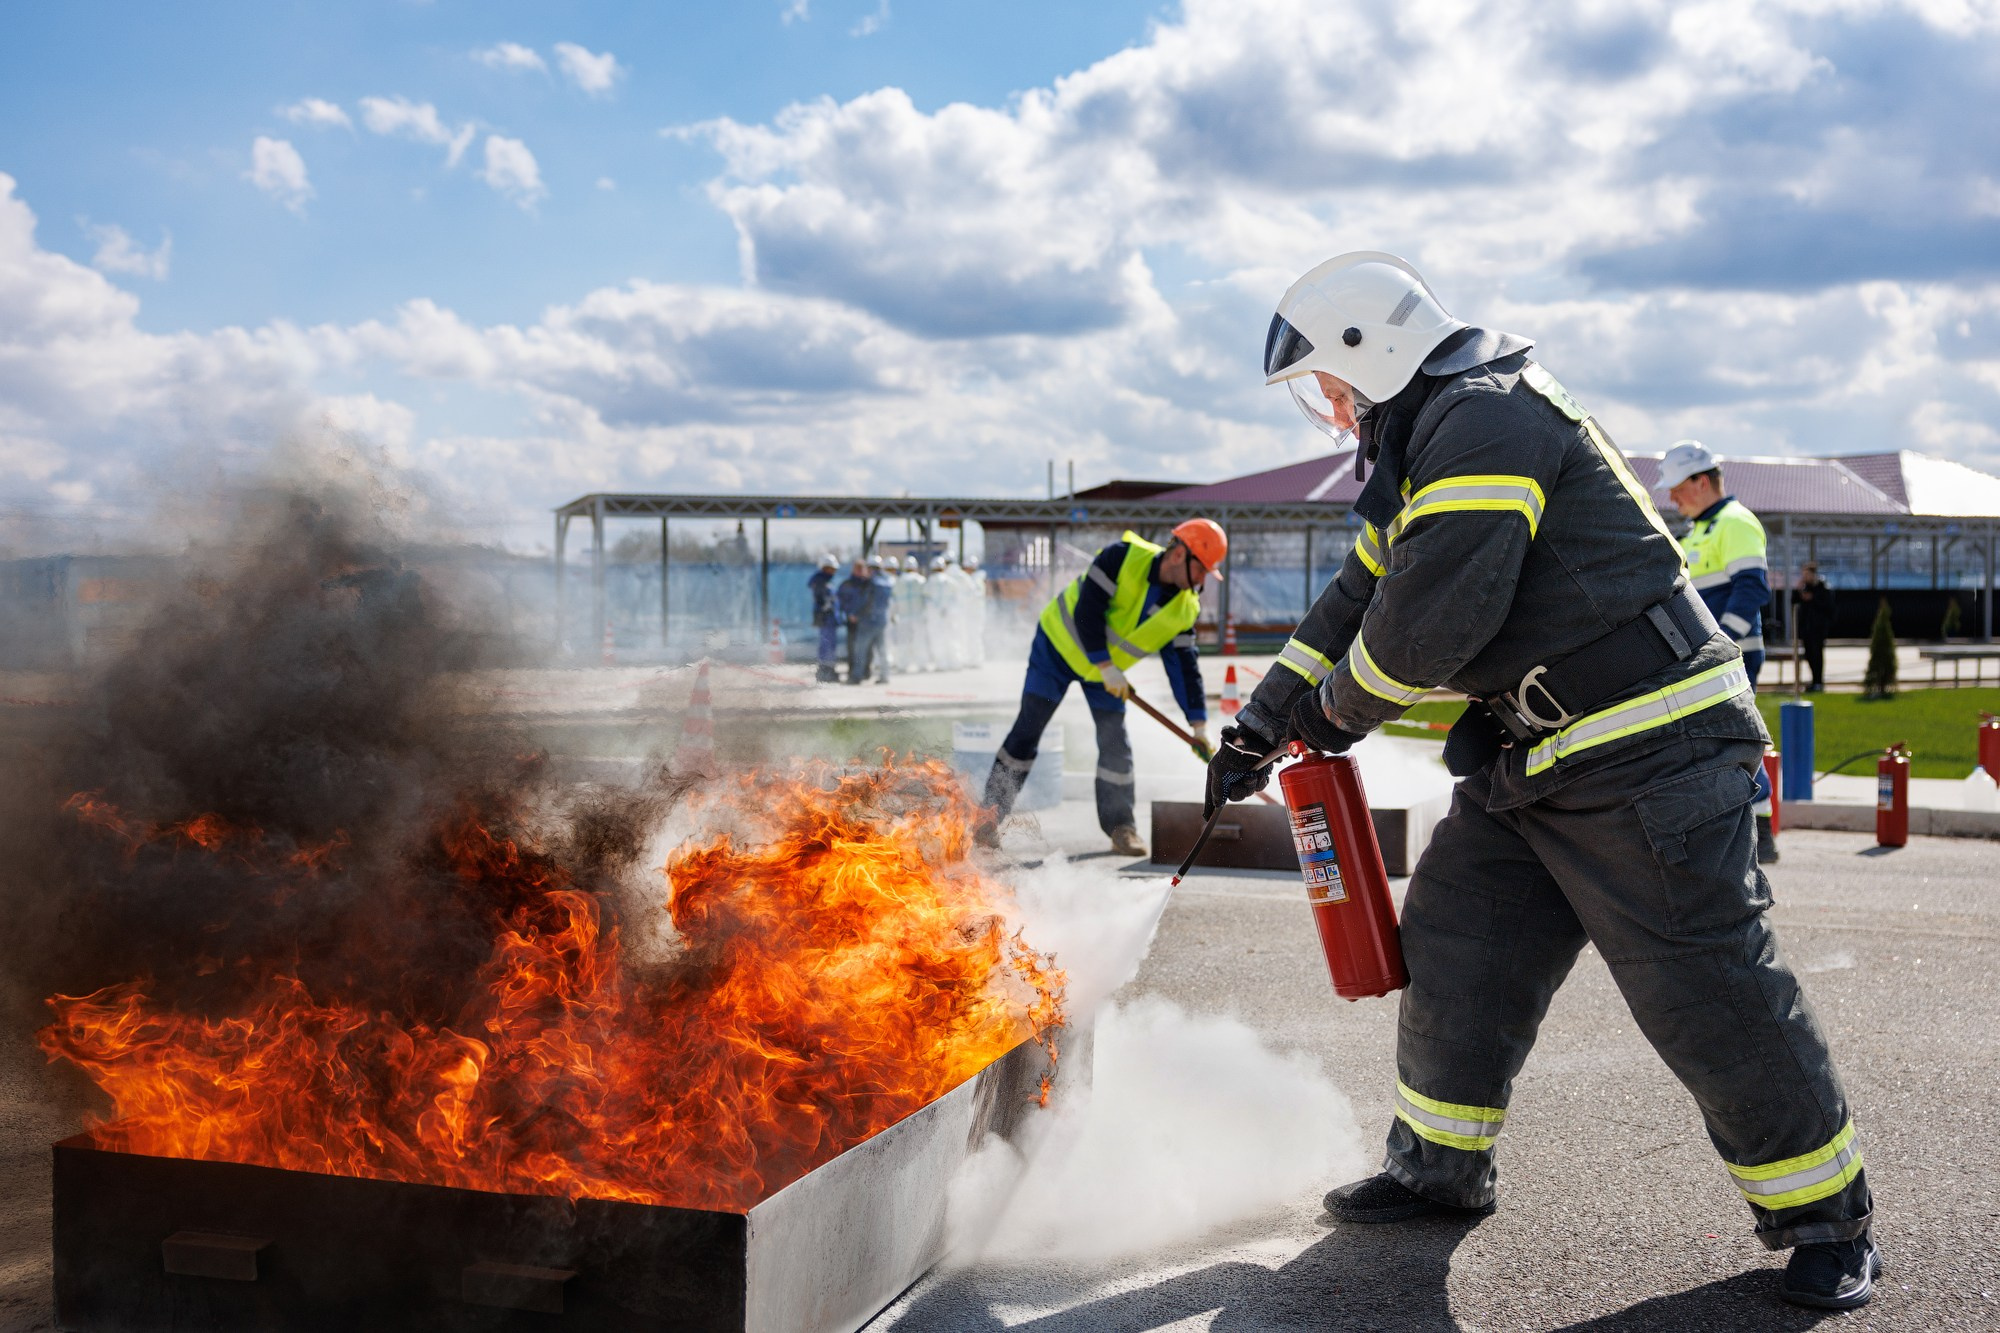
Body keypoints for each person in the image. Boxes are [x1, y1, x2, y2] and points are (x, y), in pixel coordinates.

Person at [1206, 252, 1875, 1311]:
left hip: (1647, 744)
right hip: (1531, 757)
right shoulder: (1423, 443)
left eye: (1330, 388)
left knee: (1703, 990)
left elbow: (1427, 625)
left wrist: (1324, 718)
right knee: (1456, 946)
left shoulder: (1485, 419)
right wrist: (1253, 724)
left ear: (1368, 352)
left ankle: (1828, 1217)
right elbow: (1354, 597)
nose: (1330, 413)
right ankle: (1437, 1169)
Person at [979, 520, 1223, 858]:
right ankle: (986, 820)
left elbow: (1184, 668)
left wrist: (1199, 725)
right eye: (1202, 569)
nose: (1203, 580)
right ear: (1180, 554)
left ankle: (1122, 827)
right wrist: (1107, 667)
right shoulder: (1122, 557)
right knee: (1027, 730)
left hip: (1104, 674)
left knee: (1115, 745)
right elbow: (1086, 613)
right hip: (1057, 649)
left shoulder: (1185, 607)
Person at [1658, 442, 1779, 862]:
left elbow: (1752, 589)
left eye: (1677, 487)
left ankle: (1760, 833)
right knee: (1719, 742)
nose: (1672, 497)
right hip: (1714, 657)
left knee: (1735, 742)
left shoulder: (1736, 522)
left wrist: (1722, 646)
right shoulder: (1701, 530)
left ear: (1701, 481)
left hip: (1732, 655)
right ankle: (1747, 830)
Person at [1796, 561, 1836, 692]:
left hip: (1818, 628)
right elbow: (1795, 602)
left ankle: (1818, 681)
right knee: (1808, 655)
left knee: (1817, 654)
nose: (1805, 577)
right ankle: (1814, 681)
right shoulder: (1804, 588)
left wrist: (1813, 599)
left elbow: (1828, 607)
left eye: (1807, 575)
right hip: (1807, 628)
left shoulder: (1824, 588)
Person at [835, 559, 873, 685]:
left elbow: (872, 602)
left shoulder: (868, 584)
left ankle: (866, 671)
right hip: (852, 622)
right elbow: (840, 602)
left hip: (866, 622)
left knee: (867, 648)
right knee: (852, 648)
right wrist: (849, 614)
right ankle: (853, 672)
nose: (860, 571)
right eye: (857, 568)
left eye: (862, 568)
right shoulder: (847, 585)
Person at [808, 554, 841, 683]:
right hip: (825, 618)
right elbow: (821, 600)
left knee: (830, 644)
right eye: (831, 568)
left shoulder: (827, 582)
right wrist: (827, 605)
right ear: (824, 568)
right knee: (826, 644)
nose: (833, 571)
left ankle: (829, 669)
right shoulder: (819, 581)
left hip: (831, 618)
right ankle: (824, 671)